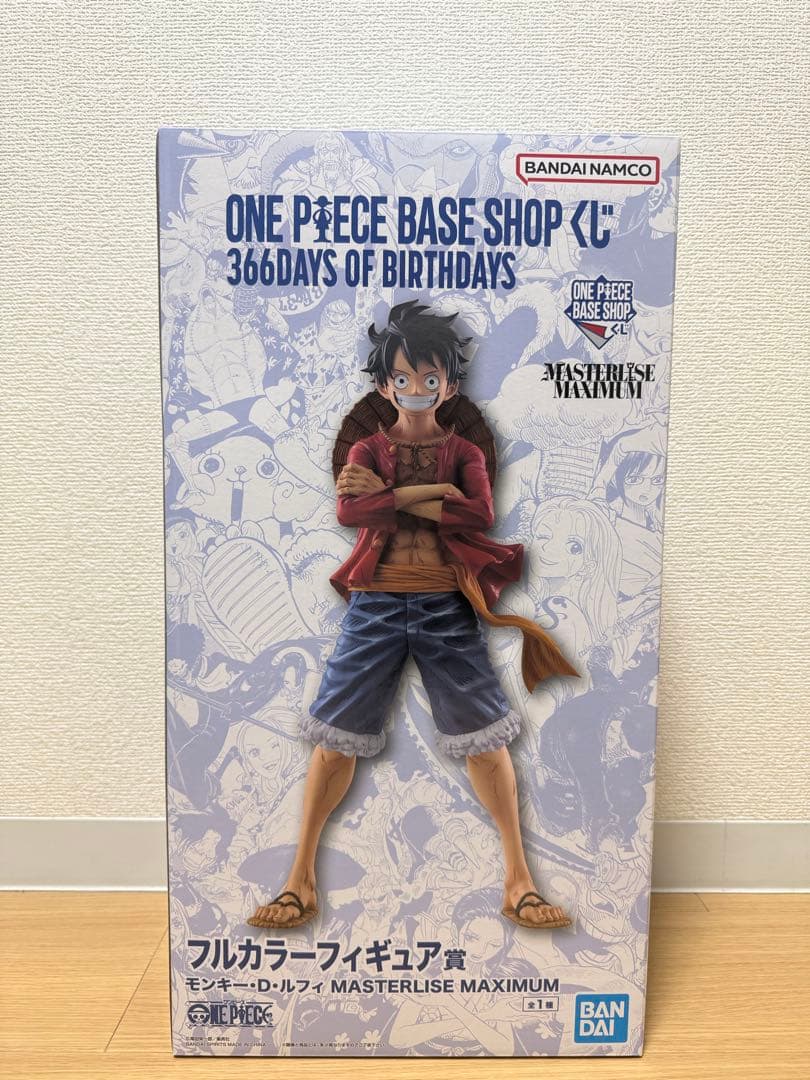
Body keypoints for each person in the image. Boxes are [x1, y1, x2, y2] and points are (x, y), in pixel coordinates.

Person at [248, 301, 577, 931]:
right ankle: (299, 881)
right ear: (384, 385)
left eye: (430, 378)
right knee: (334, 740)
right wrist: (431, 493)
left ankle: (519, 880)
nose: (417, 388)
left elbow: (479, 514)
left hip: (447, 605)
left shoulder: (465, 452)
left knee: (486, 740)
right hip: (374, 603)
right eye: (403, 377)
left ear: (449, 385)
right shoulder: (368, 447)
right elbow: (351, 513)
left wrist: (394, 497)